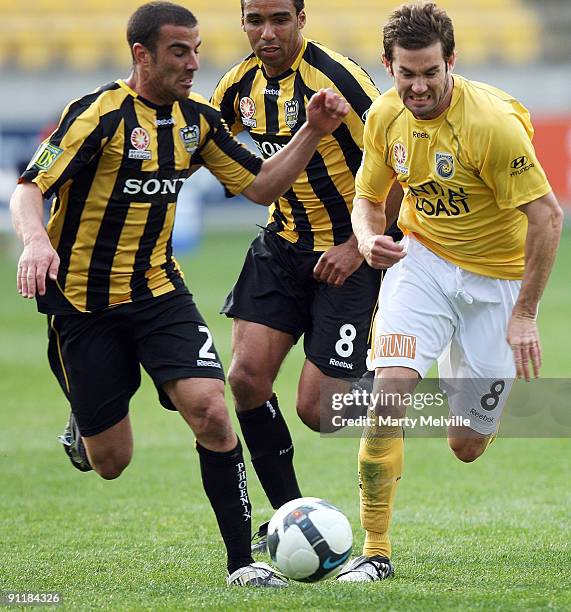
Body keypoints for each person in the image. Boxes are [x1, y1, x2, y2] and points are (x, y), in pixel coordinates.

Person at [10, 1, 351, 588]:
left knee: (214, 412)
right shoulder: (97, 115)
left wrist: (313, 131)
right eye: (179, 51)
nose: (194, 62)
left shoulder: (199, 122)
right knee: (110, 462)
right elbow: (28, 187)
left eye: (196, 49)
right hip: (83, 305)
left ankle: (243, 563)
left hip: (160, 295)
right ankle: (83, 425)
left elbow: (263, 186)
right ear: (141, 54)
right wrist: (36, 242)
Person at [336, 2, 563, 582]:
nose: (418, 85)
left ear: (450, 62)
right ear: (388, 66)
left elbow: (548, 218)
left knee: (465, 444)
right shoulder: (384, 116)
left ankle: (475, 383)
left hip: (497, 284)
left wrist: (525, 314)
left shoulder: (489, 125)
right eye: (406, 73)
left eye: (430, 72)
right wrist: (366, 239)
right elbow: (368, 198)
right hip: (423, 261)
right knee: (388, 393)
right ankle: (375, 552)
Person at [211, 0, 402, 552]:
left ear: (302, 19)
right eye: (255, 21)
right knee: (245, 379)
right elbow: (204, 143)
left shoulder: (339, 78)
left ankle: (395, 383)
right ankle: (289, 514)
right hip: (281, 247)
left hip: (349, 257)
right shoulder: (234, 88)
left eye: (279, 20)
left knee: (319, 410)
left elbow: (399, 160)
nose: (266, 33)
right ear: (243, 22)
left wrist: (356, 245)